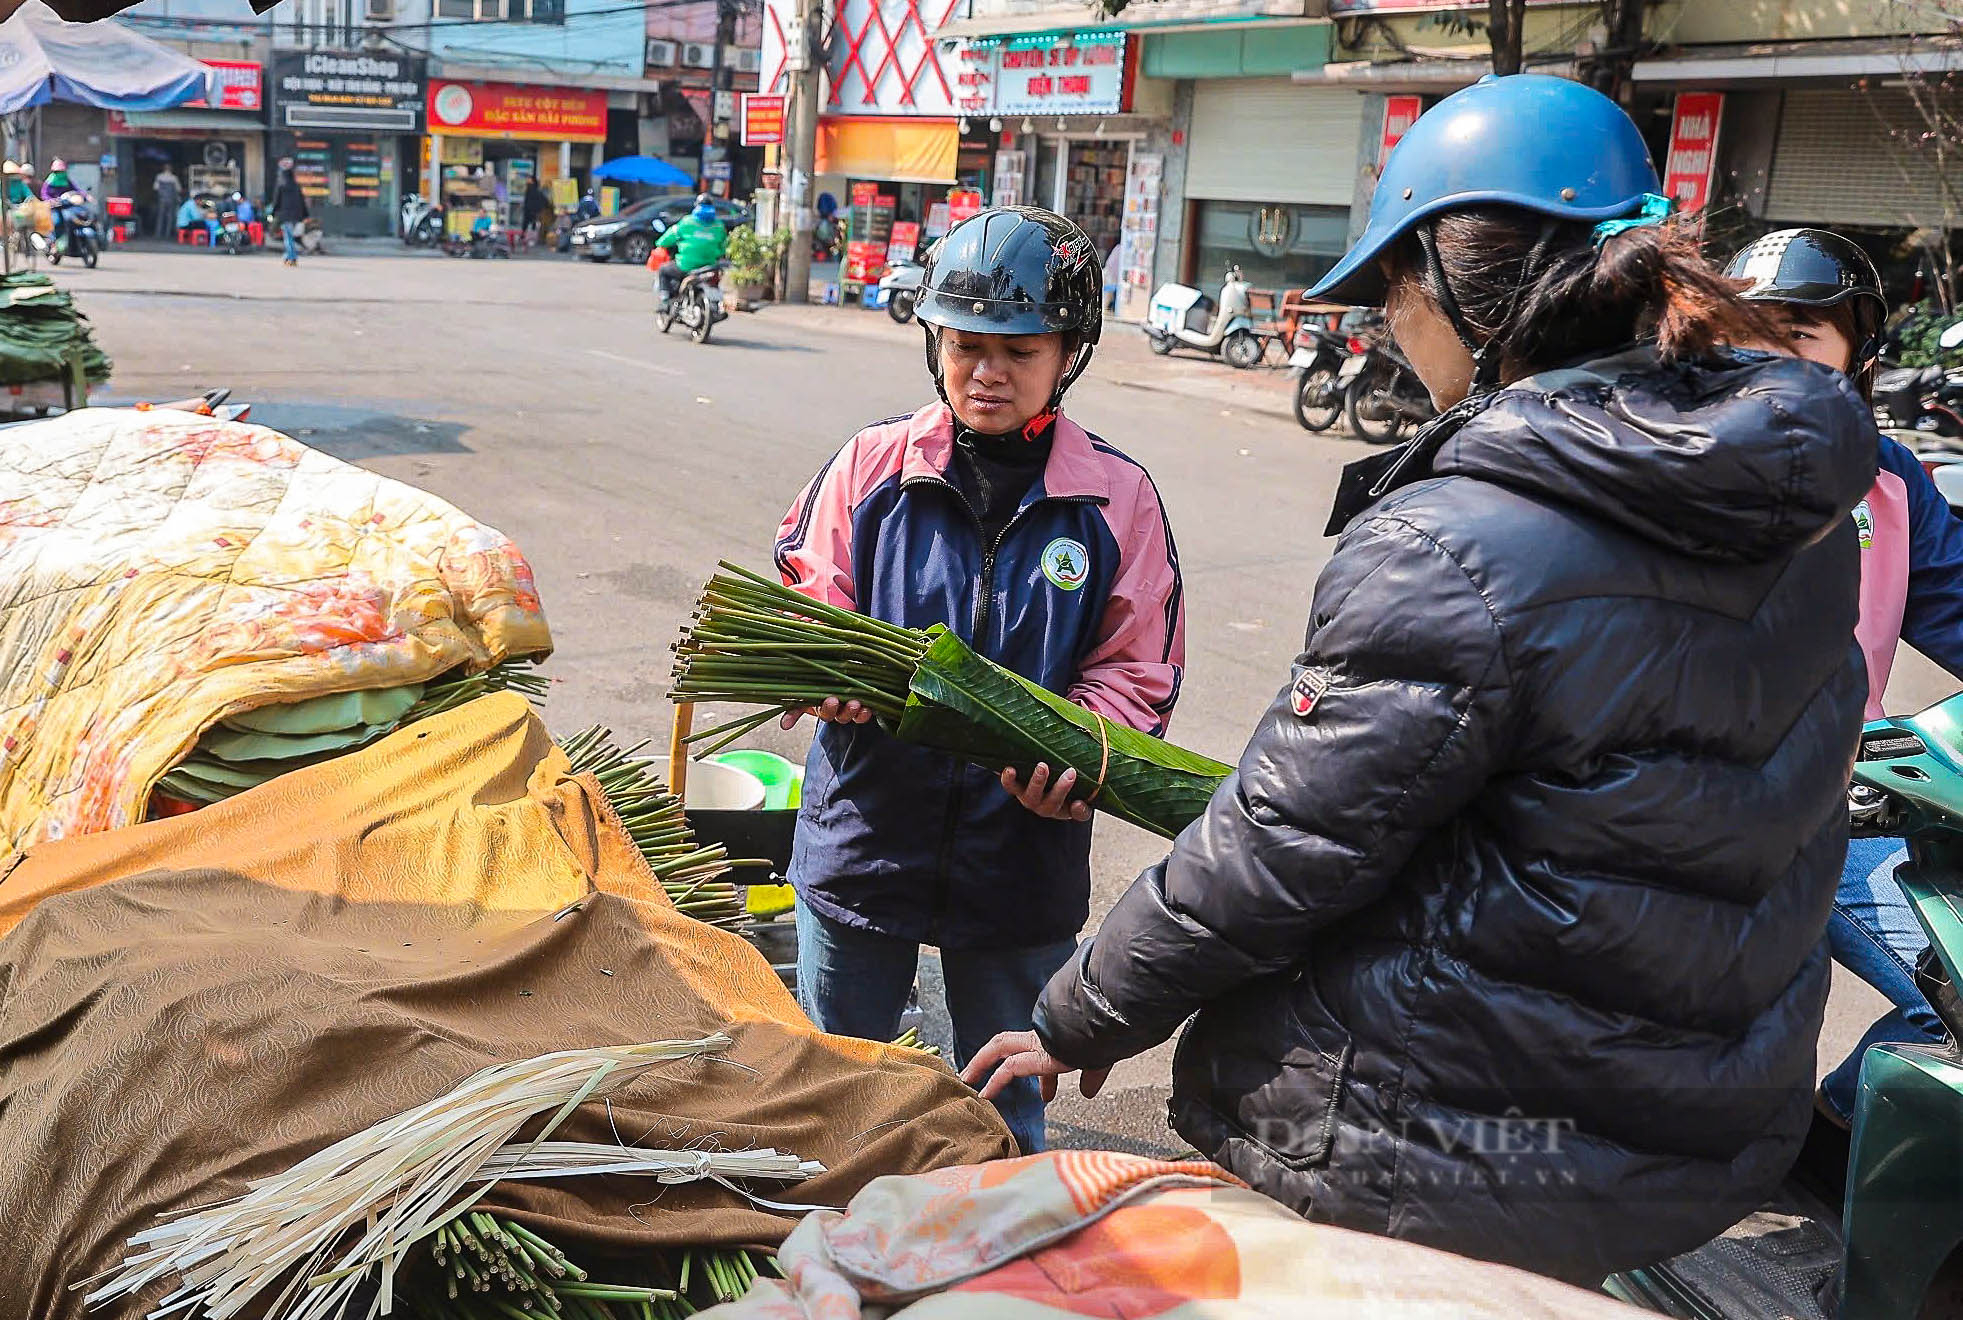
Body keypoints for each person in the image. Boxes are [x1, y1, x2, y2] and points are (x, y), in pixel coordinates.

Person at [964, 74, 1875, 1283]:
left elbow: (1280, 844)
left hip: (1459, 1140)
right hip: (1692, 1115)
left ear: (1453, 288)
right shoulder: (1803, 506)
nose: (1389, 326)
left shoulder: (1457, 543)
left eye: (1392, 291)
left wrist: (1074, 1014)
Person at [776, 206, 1185, 1153]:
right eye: (963, 346)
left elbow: (1138, 668)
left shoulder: (1115, 499)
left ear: (1067, 354)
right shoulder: (873, 466)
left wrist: (1078, 754)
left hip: (1021, 863)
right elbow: (811, 590)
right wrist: (828, 665)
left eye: (1018, 349)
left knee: (1002, 1112)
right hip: (863, 845)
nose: (986, 372)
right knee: (835, 1100)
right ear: (934, 345)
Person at [1725, 228, 1958, 1141]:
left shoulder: (1888, 481)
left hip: (1836, 814)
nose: (1769, 359)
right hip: (1673, 824)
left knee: (1950, 1005)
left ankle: (1833, 1143)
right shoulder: (1653, 467)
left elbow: (1954, 598)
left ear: (1855, 354)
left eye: (1800, 335)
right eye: (1750, 333)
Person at [654, 196, 728, 304]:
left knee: (663, 270)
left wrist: (660, 244)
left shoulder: (687, 222)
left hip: (686, 265)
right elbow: (723, 248)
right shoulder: (719, 226)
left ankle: (665, 301)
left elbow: (669, 237)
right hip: (709, 266)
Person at [269, 157, 307, 267]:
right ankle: (288, 256)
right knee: (290, 237)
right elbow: (302, 201)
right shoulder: (296, 186)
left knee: (288, 237)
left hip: (285, 215)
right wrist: (304, 215)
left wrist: (272, 213)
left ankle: (292, 257)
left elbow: (277, 201)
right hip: (295, 216)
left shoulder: (281, 184)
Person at [153, 162, 181, 240]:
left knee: (160, 216)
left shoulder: (159, 177)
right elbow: (178, 189)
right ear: (171, 169)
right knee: (169, 217)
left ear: (163, 169)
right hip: (171, 199)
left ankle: (158, 233)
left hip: (161, 199)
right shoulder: (174, 178)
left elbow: (155, 188)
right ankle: (167, 234)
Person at [522, 177, 550, 245]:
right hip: (534, 211)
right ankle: (530, 239)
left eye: (529, 180)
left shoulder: (530, 189)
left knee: (528, 225)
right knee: (533, 225)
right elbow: (544, 201)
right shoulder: (535, 190)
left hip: (530, 211)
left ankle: (526, 238)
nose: (527, 181)